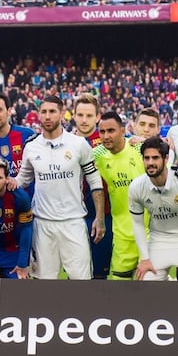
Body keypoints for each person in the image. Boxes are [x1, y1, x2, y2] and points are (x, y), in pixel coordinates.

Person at [17, 95, 105, 280]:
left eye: (52, 112)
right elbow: (22, 181)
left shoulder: (79, 144)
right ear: (38, 115)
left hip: (73, 222)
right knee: (44, 284)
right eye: (44, 112)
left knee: (81, 281)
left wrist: (99, 217)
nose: (47, 116)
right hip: (43, 223)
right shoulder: (32, 147)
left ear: (62, 114)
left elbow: (95, 182)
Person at [128, 137, 178, 282]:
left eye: (155, 158)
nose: (150, 163)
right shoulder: (136, 187)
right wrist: (145, 258)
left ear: (165, 159)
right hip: (159, 240)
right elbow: (137, 223)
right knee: (146, 285)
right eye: (146, 158)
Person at [93, 111, 144, 279]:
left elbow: (166, 157)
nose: (106, 136)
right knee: (119, 289)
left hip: (151, 232)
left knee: (152, 289)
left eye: (111, 131)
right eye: (102, 132)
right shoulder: (98, 155)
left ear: (123, 131)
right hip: (122, 234)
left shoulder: (139, 148)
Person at [72, 93, 113, 279]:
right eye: (80, 115)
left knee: (99, 275)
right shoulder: (66, 142)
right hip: (72, 218)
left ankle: (98, 308)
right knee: (76, 273)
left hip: (103, 216)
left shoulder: (108, 141)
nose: (84, 120)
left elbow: (133, 145)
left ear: (97, 117)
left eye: (89, 116)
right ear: (73, 115)